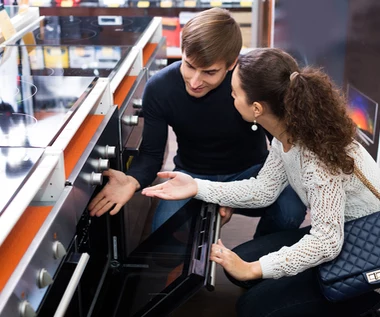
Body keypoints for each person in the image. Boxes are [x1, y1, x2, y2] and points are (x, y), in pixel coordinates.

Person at [141, 48, 380, 316]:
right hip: (340, 230)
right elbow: (264, 190)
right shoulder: (288, 132)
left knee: (252, 307)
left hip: (366, 249)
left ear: (256, 108)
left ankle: (367, 305)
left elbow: (326, 244)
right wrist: (197, 186)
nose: (230, 97)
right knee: (242, 272)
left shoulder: (318, 163)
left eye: (234, 93)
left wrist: (254, 268)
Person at [88, 8, 306, 235]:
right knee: (163, 230)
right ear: (182, 52)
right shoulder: (159, 88)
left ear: (231, 64)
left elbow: (281, 143)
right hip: (191, 175)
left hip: (251, 173)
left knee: (291, 210)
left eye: (209, 72)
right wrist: (132, 180)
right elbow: (152, 155)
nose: (194, 82)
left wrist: (235, 193)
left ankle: (259, 253)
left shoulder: (250, 85)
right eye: (189, 65)